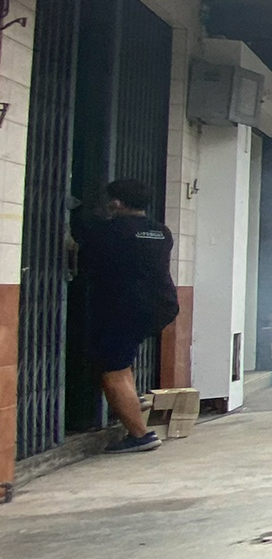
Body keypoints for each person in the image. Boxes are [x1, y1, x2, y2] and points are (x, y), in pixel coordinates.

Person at [73, 178, 180, 453]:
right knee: (122, 360)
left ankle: (141, 435)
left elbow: (84, 256)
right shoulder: (161, 232)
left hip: (125, 307)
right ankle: (132, 399)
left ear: (116, 202)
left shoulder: (108, 231)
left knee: (111, 370)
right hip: (161, 305)